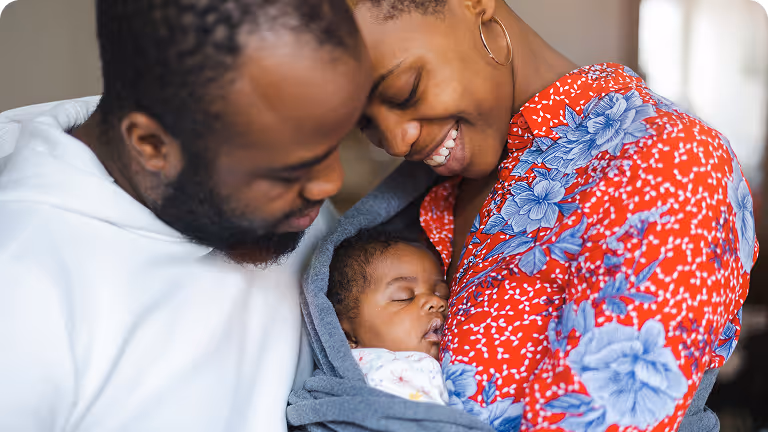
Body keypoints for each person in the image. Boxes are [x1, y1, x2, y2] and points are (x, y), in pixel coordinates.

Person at [340, 0, 757, 431]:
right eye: (366, 125)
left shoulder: (671, 160)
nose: (395, 141)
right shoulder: (447, 188)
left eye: (407, 90)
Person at [0, 0, 371, 430]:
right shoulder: (21, 293)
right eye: (289, 170)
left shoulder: (272, 155)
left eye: (334, 145)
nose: (330, 184)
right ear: (151, 144)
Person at [328, 229, 451, 404]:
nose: (436, 301)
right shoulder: (388, 371)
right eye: (404, 297)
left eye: (443, 293)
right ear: (346, 334)